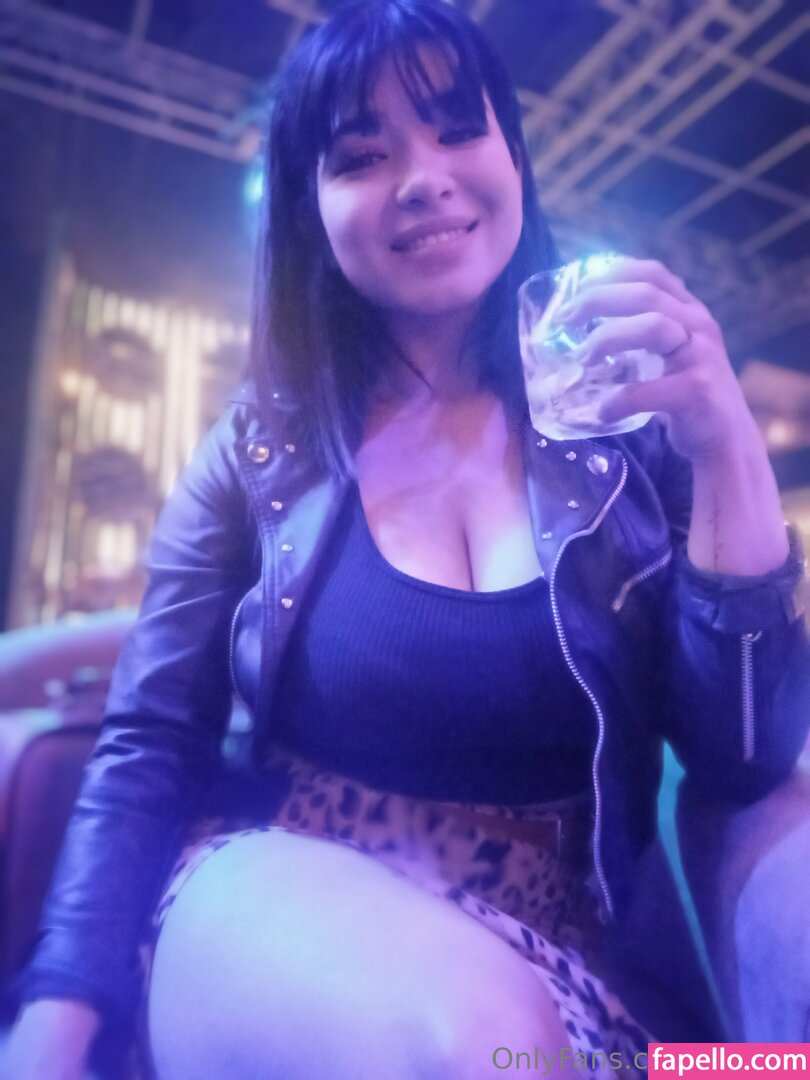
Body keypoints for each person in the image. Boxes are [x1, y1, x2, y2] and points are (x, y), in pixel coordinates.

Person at [7, 1, 809, 1077]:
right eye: (362, 156)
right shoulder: (258, 451)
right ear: (311, 209)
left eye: (458, 130)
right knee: (476, 1042)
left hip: (573, 969)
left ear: (513, 159)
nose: (424, 177)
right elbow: (151, 738)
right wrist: (55, 1016)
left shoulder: (622, 438)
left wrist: (723, 441)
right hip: (283, 914)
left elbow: (742, 759)